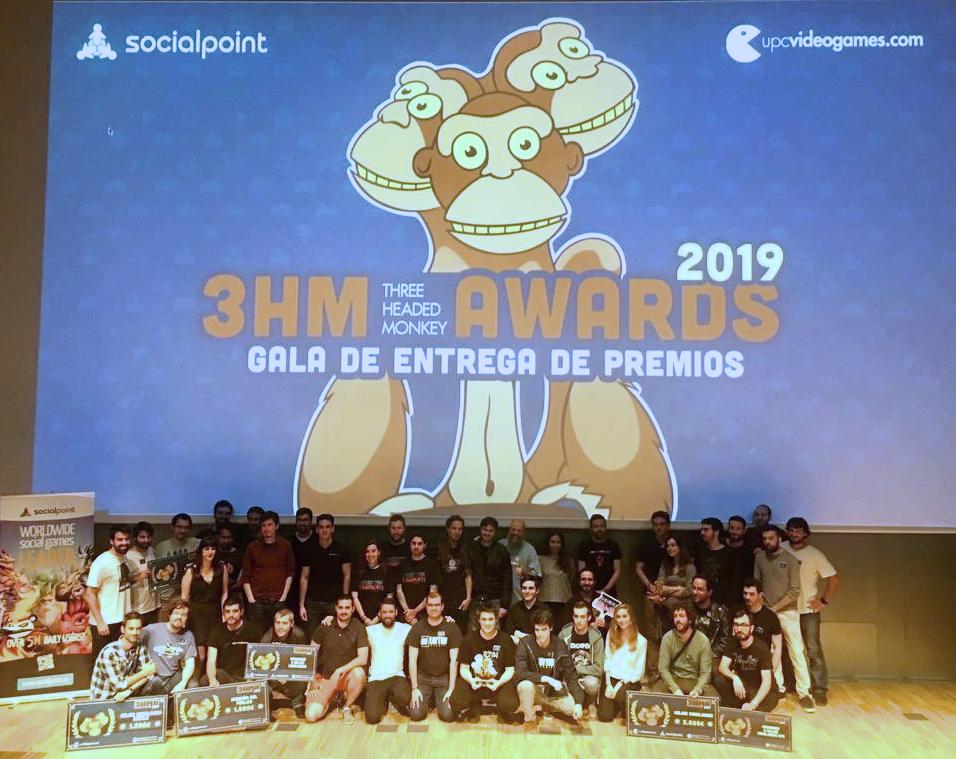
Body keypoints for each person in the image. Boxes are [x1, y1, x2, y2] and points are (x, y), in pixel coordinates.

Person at [755, 526, 815, 712]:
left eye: (771, 538)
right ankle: (779, 687)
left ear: (779, 539)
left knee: (796, 651)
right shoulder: (759, 558)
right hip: (767, 611)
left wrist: (774, 609)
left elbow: (795, 591)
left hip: (788, 613)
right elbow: (757, 585)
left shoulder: (790, 559)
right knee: (772, 651)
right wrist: (764, 609)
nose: (767, 542)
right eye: (765, 539)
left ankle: (805, 693)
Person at [784, 516, 839, 706]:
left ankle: (819, 688)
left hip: (808, 612)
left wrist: (823, 601)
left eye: (798, 531)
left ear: (805, 533)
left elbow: (833, 578)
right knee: (788, 650)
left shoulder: (815, 554)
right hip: (786, 610)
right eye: (791, 530)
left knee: (813, 650)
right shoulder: (781, 548)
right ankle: (791, 685)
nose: (794, 534)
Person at [450, 604, 520, 723]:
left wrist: (498, 683)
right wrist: (471, 681)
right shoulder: (469, 638)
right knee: (456, 702)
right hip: (475, 682)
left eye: (490, 619)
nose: (487, 623)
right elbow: (464, 668)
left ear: (496, 620)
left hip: (497, 682)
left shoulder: (506, 640)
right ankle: (473, 705)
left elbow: (510, 670)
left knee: (510, 704)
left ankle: (501, 710)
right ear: (479, 620)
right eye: (484, 619)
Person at [305, 595, 368, 724]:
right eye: (341, 607)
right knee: (311, 716)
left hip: (346, 677)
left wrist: (340, 670)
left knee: (359, 673)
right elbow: (310, 654)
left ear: (353, 609)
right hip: (325, 678)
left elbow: (363, 659)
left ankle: (347, 706)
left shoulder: (359, 628)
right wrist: (312, 681)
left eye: (347, 608)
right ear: (336, 608)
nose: (344, 611)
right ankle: (333, 697)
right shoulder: (325, 626)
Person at [515, 609, 584, 724]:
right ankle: (530, 716)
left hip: (552, 692)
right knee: (524, 686)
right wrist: (547, 679)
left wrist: (578, 704)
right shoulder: (525, 643)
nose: (540, 634)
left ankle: (539, 707)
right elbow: (521, 673)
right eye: (537, 630)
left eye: (544, 629)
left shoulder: (560, 646)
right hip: (533, 690)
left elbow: (572, 676)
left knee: (571, 708)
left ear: (551, 628)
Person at [408, 592, 462, 722]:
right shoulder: (417, 628)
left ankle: (436, 700)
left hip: (444, 679)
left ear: (442, 606)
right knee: (416, 715)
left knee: (448, 716)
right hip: (423, 678)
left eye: (437, 605)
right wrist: (414, 688)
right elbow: (412, 660)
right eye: (430, 605)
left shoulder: (451, 627)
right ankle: (430, 700)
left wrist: (451, 688)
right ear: (426, 607)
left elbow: (454, 661)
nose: (433, 608)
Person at [181, 538, 228, 678]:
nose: (210, 552)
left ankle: (210, 679)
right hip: (196, 615)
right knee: (200, 654)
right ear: (200, 551)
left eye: (213, 548)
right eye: (206, 549)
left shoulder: (221, 568)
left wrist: (224, 613)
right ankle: (196, 680)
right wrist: (184, 617)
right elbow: (184, 597)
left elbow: (225, 592)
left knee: (213, 651)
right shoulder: (191, 571)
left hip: (215, 613)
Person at [714, 609, 778, 712]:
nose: (739, 628)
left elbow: (766, 682)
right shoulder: (732, 642)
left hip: (763, 691)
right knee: (719, 680)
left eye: (743, 625)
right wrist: (735, 678)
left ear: (751, 628)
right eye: (736, 625)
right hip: (745, 686)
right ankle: (735, 709)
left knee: (755, 714)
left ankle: (745, 708)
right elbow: (722, 667)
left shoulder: (762, 648)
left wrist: (753, 704)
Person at [241, 510, 295, 632]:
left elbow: (290, 573)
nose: (266, 529)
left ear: (277, 526)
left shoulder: (285, 545)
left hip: (278, 600)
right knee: (257, 635)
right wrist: (251, 600)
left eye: (270, 525)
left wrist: (283, 597)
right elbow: (245, 576)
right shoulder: (252, 546)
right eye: (263, 525)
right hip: (257, 601)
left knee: (279, 634)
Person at [85, 524, 135, 653]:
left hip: (122, 620)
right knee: (102, 660)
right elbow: (89, 594)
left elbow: (120, 583)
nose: (124, 543)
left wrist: (141, 576)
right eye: (120, 540)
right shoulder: (102, 562)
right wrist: (100, 622)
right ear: (112, 541)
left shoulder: (124, 559)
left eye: (126, 539)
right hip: (106, 623)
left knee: (120, 658)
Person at [300, 513, 351, 638]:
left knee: (333, 637)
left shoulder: (342, 549)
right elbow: (304, 577)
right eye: (321, 527)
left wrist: (344, 599)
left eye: (328, 527)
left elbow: (347, 575)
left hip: (334, 602)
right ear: (317, 529)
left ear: (333, 528)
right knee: (312, 637)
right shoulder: (308, 549)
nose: (324, 530)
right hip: (313, 602)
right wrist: (301, 604)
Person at [363, 597, 412, 724]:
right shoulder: (370, 630)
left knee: (409, 705)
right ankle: (383, 700)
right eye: (384, 612)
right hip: (376, 678)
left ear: (396, 612)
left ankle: (392, 699)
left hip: (397, 677)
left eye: (390, 612)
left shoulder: (405, 628)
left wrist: (447, 619)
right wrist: (331, 619)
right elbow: (351, 629)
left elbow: (425, 627)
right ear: (379, 614)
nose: (387, 615)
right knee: (372, 718)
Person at [635, 510, 671, 682]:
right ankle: (653, 671)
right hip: (650, 593)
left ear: (668, 525)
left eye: (662, 524)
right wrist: (649, 585)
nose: (659, 528)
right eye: (655, 524)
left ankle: (668, 671)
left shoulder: (673, 543)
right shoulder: (646, 545)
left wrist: (667, 590)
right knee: (651, 633)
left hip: (670, 595)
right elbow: (638, 568)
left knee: (669, 632)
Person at [89, 611, 157, 701]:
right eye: (131, 628)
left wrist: (129, 690)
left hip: (126, 695)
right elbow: (119, 685)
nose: (135, 632)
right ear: (122, 629)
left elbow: (150, 674)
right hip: (105, 700)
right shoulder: (109, 652)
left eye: (138, 629)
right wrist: (144, 673)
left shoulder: (140, 647)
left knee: (156, 682)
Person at [653, 605, 716, 697]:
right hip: (674, 679)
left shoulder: (703, 640)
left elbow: (705, 672)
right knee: (655, 694)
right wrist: (675, 689)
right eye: (675, 616)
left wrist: (698, 690)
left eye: (681, 616)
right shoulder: (668, 637)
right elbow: (663, 668)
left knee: (713, 698)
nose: (677, 619)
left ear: (690, 620)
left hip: (695, 680)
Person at [598, 603, 646, 723]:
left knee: (623, 704)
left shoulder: (641, 641)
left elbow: (639, 672)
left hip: (628, 682)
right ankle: (616, 705)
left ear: (631, 618)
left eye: (625, 616)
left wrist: (619, 685)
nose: (621, 620)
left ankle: (622, 705)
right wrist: (608, 685)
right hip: (611, 679)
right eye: (618, 617)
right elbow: (607, 660)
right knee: (605, 717)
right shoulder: (611, 634)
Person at [465, 516, 512, 629]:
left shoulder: (502, 551)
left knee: (493, 633)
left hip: (495, 600)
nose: (487, 533)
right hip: (475, 600)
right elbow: (466, 573)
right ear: (480, 530)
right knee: (473, 634)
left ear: (495, 532)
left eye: (491, 531)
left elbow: (507, 578)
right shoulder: (471, 548)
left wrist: (504, 605)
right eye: (485, 530)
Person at [260, 607, 308, 718]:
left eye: (284, 623)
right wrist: (275, 673)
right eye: (277, 623)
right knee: (261, 682)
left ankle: (297, 703)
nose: (280, 627)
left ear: (292, 624)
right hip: (272, 672)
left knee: (303, 679)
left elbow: (304, 661)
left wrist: (288, 674)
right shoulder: (268, 636)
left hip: (291, 671)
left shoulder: (299, 635)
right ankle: (267, 706)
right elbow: (261, 661)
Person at [141, 601, 197, 692]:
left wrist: (182, 684)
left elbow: (190, 663)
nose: (179, 617)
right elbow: (134, 638)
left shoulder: (188, 635)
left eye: (183, 615)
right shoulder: (152, 629)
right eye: (176, 613)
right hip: (153, 676)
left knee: (193, 684)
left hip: (172, 677)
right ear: (169, 615)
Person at [205, 595, 261, 686]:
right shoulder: (216, 632)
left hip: (245, 677)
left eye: (235, 611)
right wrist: (212, 679)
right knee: (204, 681)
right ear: (223, 613)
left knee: (267, 689)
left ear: (241, 612)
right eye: (227, 611)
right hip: (225, 676)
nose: (231, 615)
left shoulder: (253, 630)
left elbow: (259, 658)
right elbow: (211, 661)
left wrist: (252, 678)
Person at [558, 600, 605, 707]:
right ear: (573, 617)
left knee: (592, 684)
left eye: (582, 617)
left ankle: (588, 704)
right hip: (568, 678)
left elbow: (599, 668)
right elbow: (558, 662)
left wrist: (576, 668)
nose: (579, 620)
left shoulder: (597, 638)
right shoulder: (564, 634)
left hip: (587, 678)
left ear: (589, 618)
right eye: (576, 616)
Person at [155, 513, 200, 621]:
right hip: (166, 599)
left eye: (186, 527)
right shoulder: (161, 547)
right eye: (179, 527)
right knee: (164, 628)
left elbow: (211, 548)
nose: (182, 530)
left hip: (189, 597)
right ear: (172, 527)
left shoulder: (197, 543)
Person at [741, 578, 783, 690]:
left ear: (760, 595)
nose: (747, 597)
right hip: (741, 662)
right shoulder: (738, 612)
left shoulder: (771, 617)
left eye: (751, 594)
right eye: (745, 593)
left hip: (762, 664)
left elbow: (777, 647)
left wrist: (771, 670)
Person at [647, 536, 695, 630]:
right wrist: (677, 588)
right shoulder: (664, 565)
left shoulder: (689, 566)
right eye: (667, 546)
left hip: (685, 606)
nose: (669, 548)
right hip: (666, 605)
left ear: (680, 547)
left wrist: (668, 591)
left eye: (673, 545)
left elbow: (689, 590)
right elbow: (659, 588)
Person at [437, 515, 472, 632]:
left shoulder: (465, 548)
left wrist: (468, 597)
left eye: (460, 529)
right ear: (448, 529)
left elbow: (468, 575)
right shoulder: (439, 548)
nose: (457, 532)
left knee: (460, 633)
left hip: (461, 600)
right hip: (443, 598)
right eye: (454, 528)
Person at [396, 533, 440, 624]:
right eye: (414, 543)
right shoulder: (402, 564)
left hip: (424, 613)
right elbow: (399, 591)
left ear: (425, 545)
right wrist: (408, 612)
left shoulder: (432, 565)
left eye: (419, 544)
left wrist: (415, 611)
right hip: (405, 613)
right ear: (410, 544)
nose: (416, 546)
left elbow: (432, 593)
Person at [691, 575, 730, 671]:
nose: (695, 592)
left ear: (709, 592)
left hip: (713, 656)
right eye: (694, 588)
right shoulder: (686, 609)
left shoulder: (720, 612)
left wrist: (710, 654)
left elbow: (725, 640)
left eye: (700, 589)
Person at [577, 515, 622, 595]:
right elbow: (581, 571)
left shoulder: (613, 545)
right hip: (589, 591)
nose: (599, 529)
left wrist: (606, 589)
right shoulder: (584, 546)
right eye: (596, 526)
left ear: (605, 528)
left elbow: (617, 571)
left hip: (609, 590)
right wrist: (590, 588)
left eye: (602, 526)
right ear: (591, 529)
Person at [538, 531, 575, 631]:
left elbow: (572, 578)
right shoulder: (540, 559)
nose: (555, 545)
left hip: (564, 601)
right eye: (552, 542)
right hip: (545, 600)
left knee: (562, 629)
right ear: (548, 543)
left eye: (558, 542)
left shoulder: (568, 560)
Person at [500, 519, 541, 604]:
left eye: (519, 531)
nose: (515, 533)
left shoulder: (529, 550)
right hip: (500, 595)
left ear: (524, 533)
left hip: (520, 597)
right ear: (509, 530)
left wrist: (525, 572)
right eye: (513, 529)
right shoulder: (500, 545)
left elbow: (537, 575)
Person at [126, 521, 159, 626]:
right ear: (134, 538)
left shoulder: (152, 551)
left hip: (154, 605)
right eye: (142, 537)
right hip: (137, 608)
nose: (146, 540)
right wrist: (139, 577)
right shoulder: (128, 556)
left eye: (149, 537)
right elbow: (122, 582)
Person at [351, 539, 389, 626]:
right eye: (367, 552)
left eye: (373, 551)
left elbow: (389, 598)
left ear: (378, 552)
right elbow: (355, 597)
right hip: (360, 619)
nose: (370, 554)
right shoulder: (358, 571)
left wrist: (378, 618)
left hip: (381, 618)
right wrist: (364, 618)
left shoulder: (386, 571)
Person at [289, 507, 317, 627]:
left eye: (305, 520)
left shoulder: (317, 540)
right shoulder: (289, 541)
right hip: (291, 589)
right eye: (299, 520)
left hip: (312, 588)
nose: (302, 523)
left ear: (311, 521)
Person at [696, 517, 734, 605]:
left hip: (723, 600)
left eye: (706, 530)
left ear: (716, 531)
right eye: (702, 529)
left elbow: (733, 580)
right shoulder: (700, 551)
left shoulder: (729, 554)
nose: (702, 533)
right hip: (702, 598)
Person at [506, 576, 546, 643]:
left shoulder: (544, 610)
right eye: (524, 588)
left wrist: (519, 634)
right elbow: (509, 633)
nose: (527, 591)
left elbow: (544, 635)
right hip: (517, 646)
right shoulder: (514, 609)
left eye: (531, 588)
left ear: (537, 591)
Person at [725, 515, 754, 605]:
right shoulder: (722, 548)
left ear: (744, 531)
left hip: (743, 597)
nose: (734, 532)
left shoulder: (749, 551)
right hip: (723, 595)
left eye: (738, 529)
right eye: (732, 528)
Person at [381, 514, 410, 583]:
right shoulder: (382, 547)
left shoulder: (410, 547)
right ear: (389, 529)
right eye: (393, 528)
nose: (396, 531)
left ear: (404, 529)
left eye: (399, 528)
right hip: (387, 584)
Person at [217, 523, 243, 593]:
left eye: (229, 538)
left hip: (233, 591)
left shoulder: (239, 555)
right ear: (218, 536)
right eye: (223, 537)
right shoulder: (211, 552)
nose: (226, 541)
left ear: (233, 538)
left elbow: (241, 580)